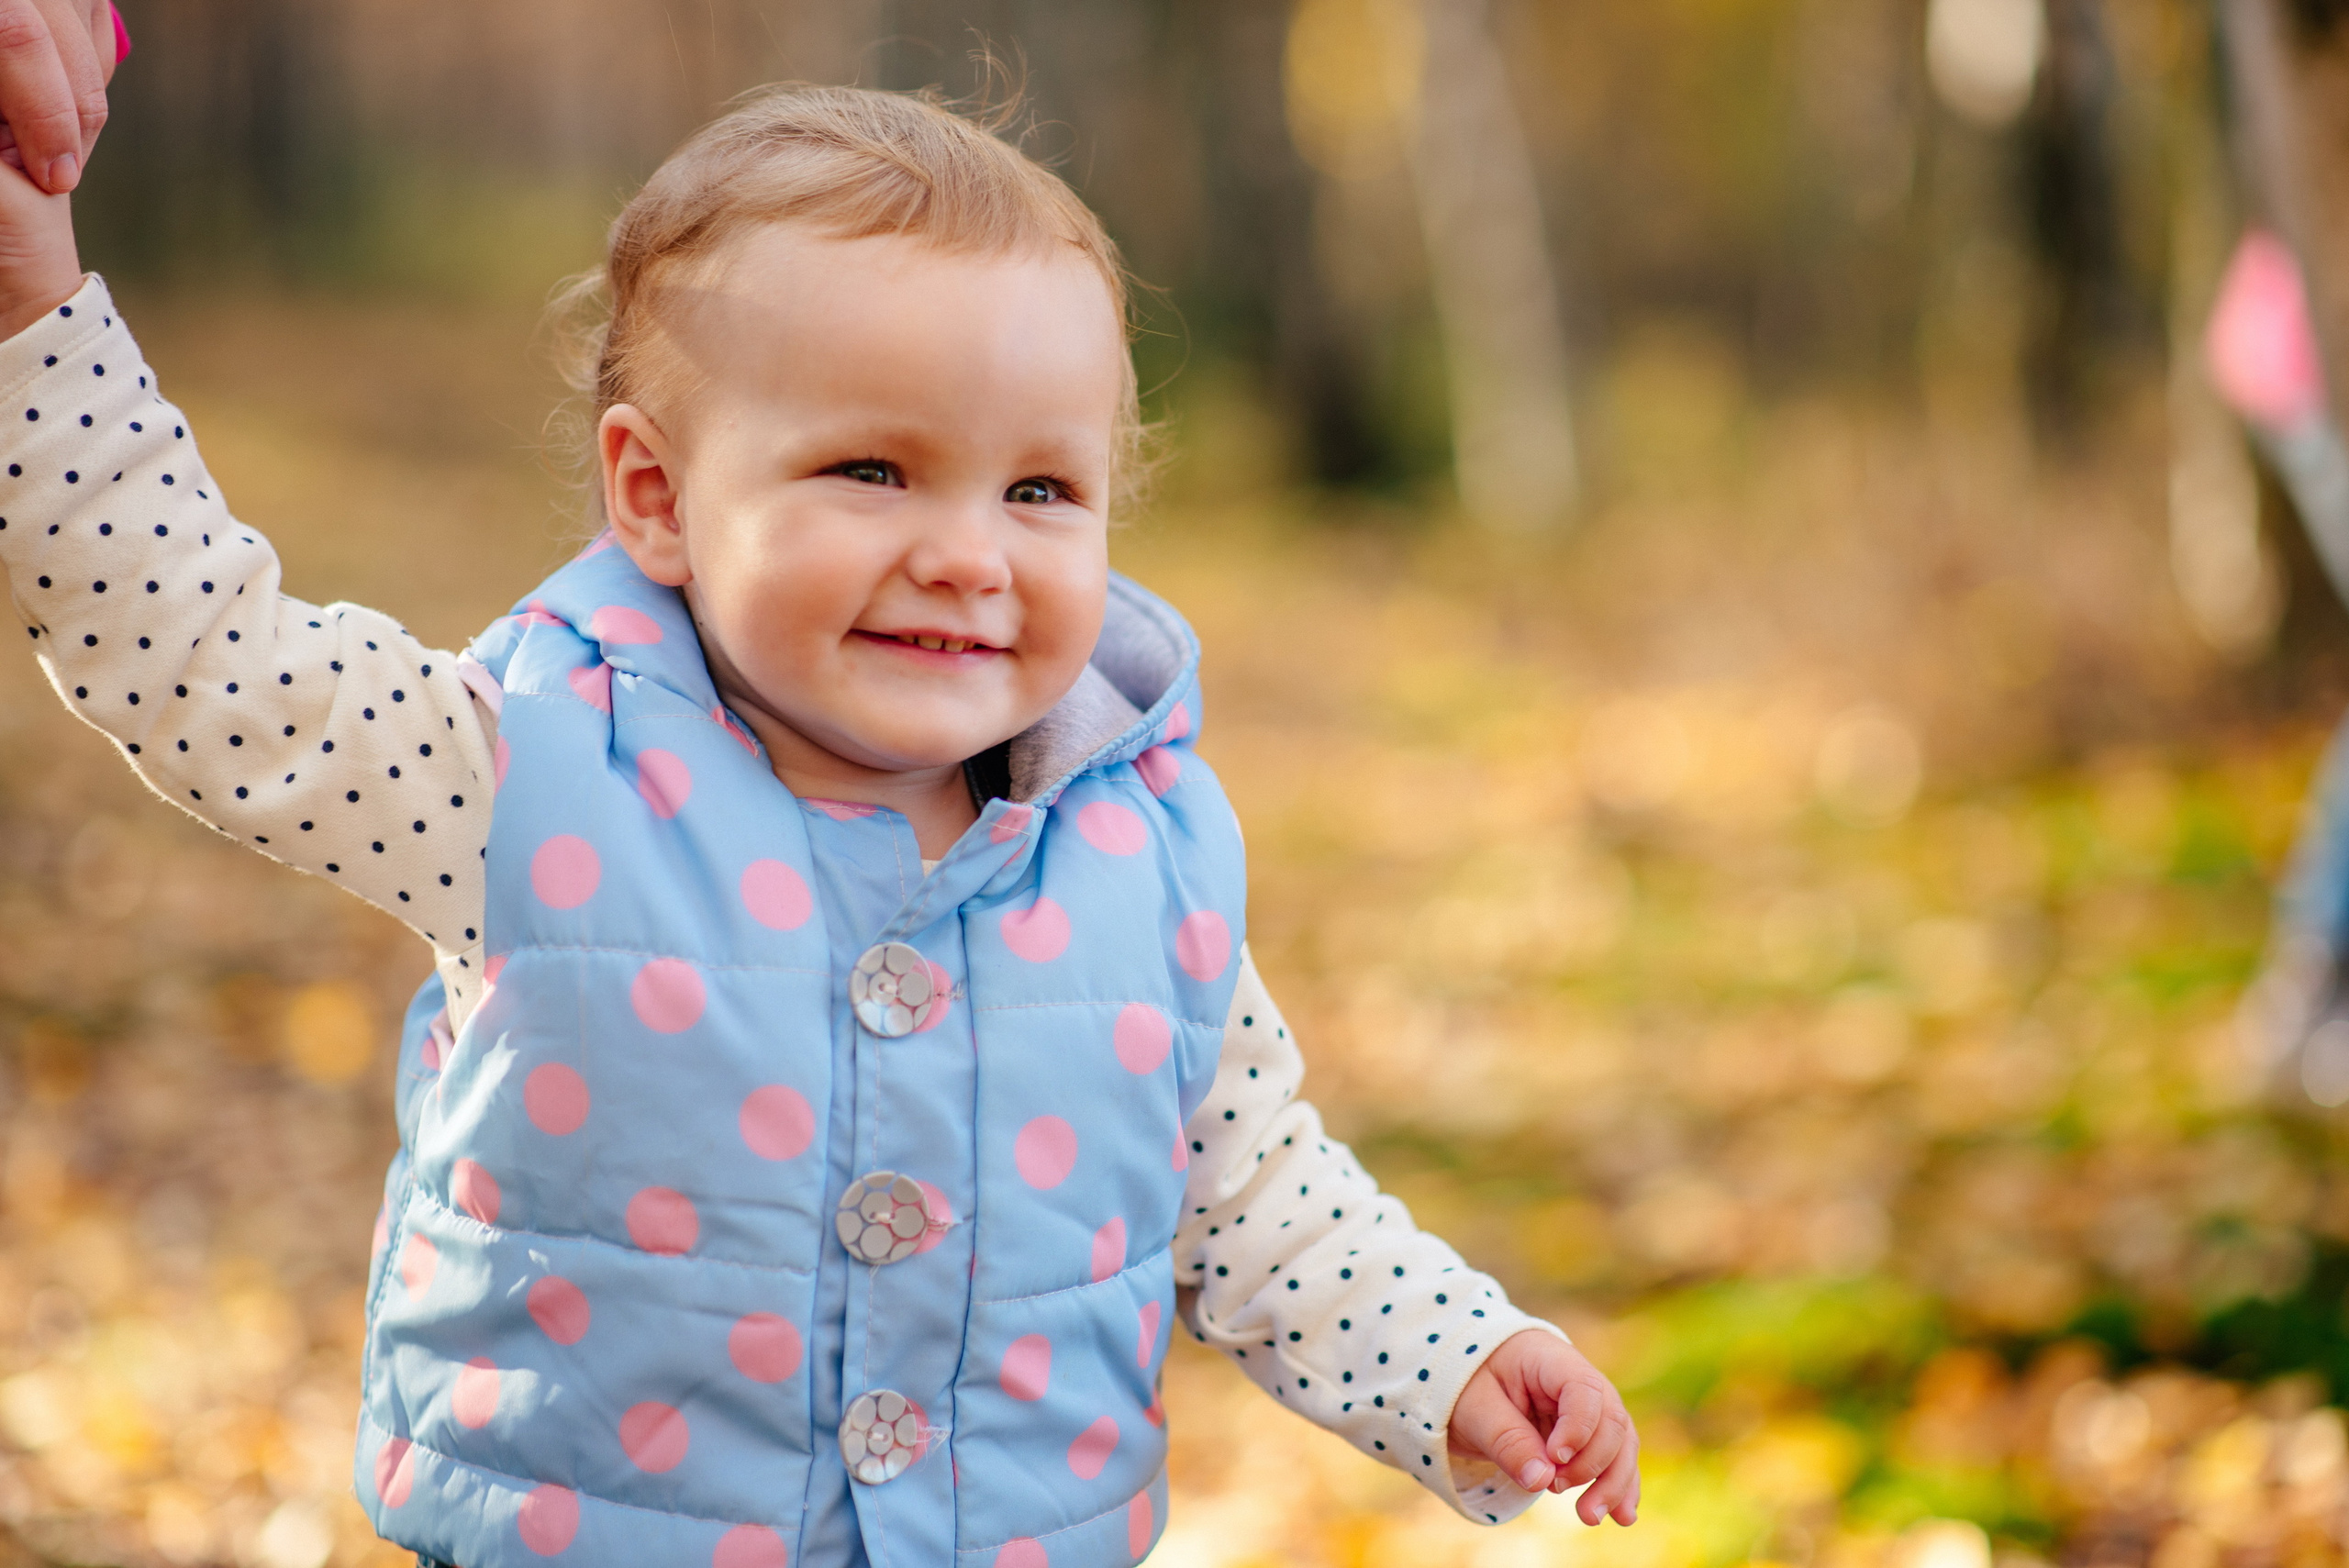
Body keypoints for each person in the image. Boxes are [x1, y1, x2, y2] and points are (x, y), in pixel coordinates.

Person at [0, 70, 1639, 1568]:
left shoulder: (1146, 862)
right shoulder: (524, 774)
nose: (968, 555)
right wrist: (33, 319)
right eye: (872, 470)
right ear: (657, 496)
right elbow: (203, 662)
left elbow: (1259, 1197)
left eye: (1040, 490)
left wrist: (1456, 1358)